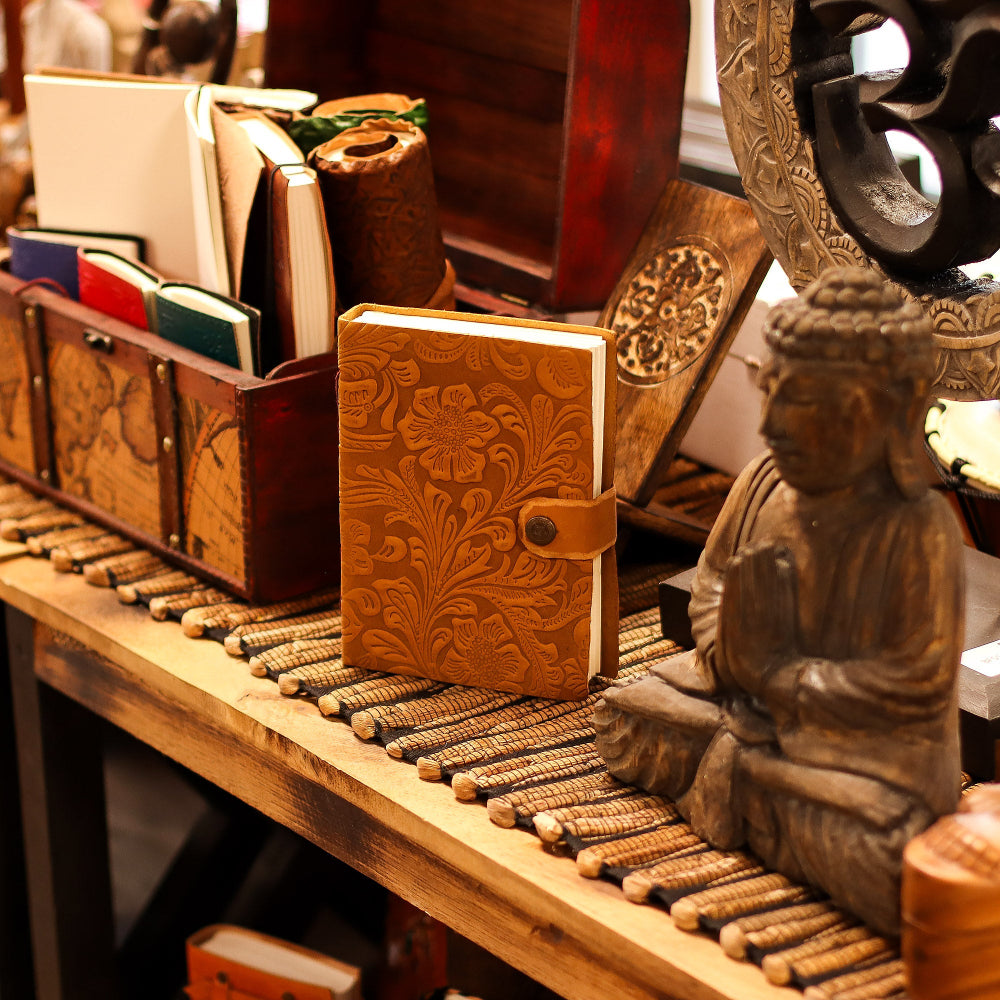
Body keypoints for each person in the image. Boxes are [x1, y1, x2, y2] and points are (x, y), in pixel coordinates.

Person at [594, 267, 964, 934]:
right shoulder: (764, 478)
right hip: (737, 698)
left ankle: (751, 780)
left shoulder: (917, 528)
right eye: (771, 393)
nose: (773, 425)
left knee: (893, 854)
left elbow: (915, 681)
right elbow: (711, 584)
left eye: (805, 406)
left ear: (874, 414)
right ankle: (754, 781)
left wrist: (783, 676)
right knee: (625, 718)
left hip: (856, 746)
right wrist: (731, 647)